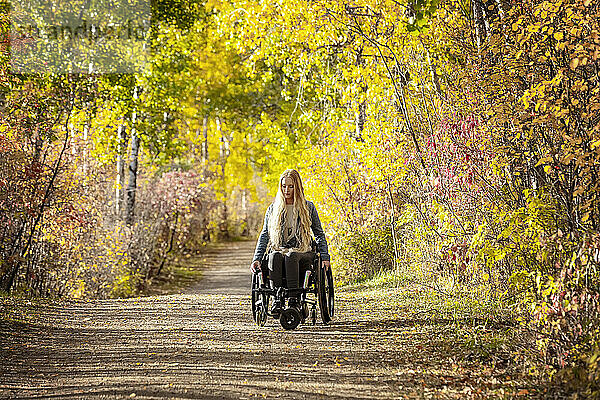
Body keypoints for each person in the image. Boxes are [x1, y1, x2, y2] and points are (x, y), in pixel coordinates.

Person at [250, 169, 331, 313]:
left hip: (303, 251)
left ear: (297, 187)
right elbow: (264, 235)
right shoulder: (273, 209)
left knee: (292, 256)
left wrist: (324, 257)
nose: (286, 190)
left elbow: (318, 233)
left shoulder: (308, 207)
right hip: (279, 249)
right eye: (284, 186)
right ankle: (277, 300)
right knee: (274, 255)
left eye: (291, 186)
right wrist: (257, 258)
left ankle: (294, 301)